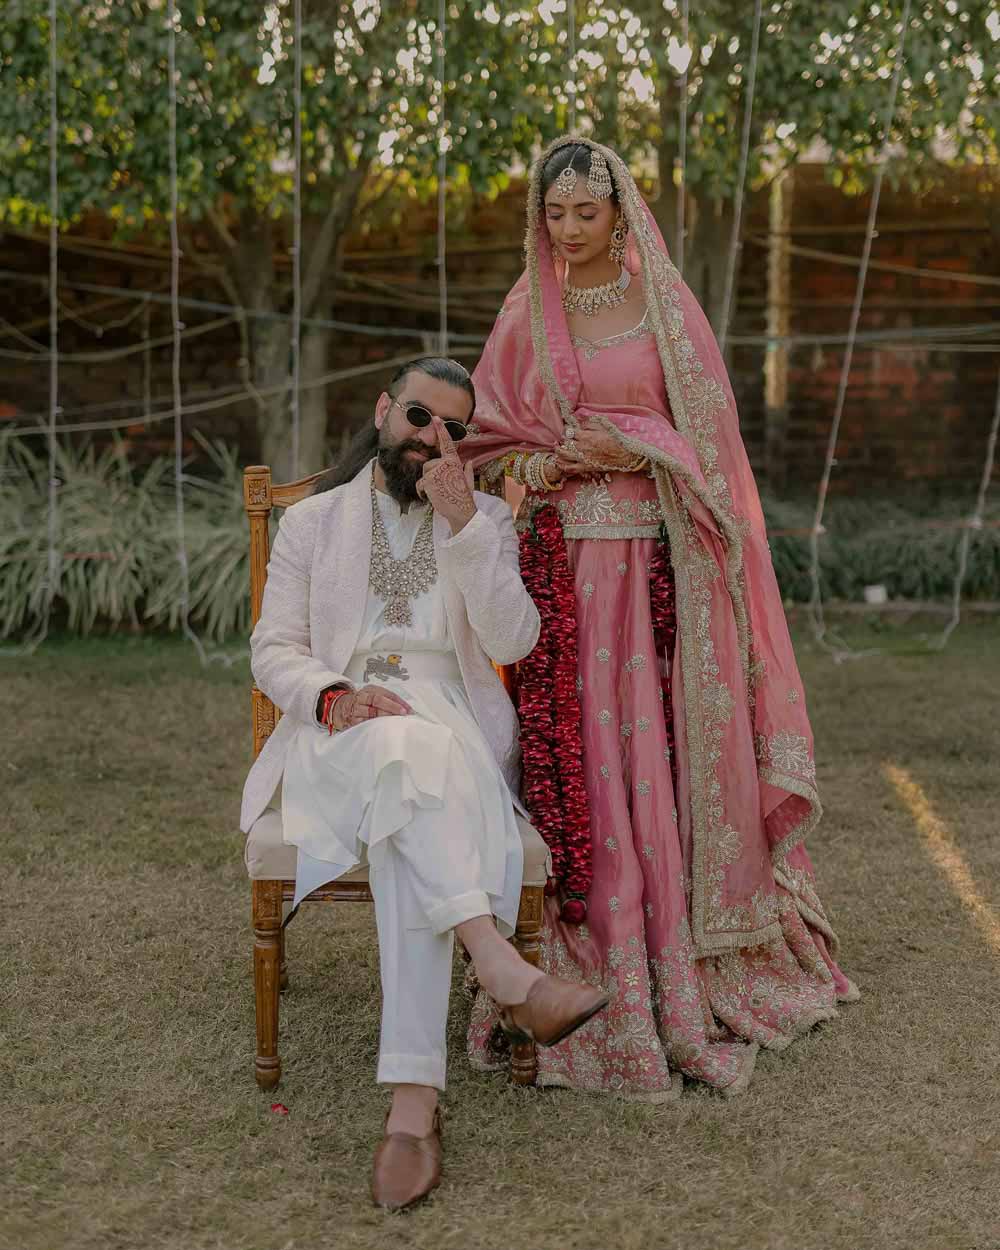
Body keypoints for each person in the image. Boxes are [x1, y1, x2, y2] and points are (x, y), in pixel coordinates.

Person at [462, 138, 858, 1102]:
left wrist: (633, 446)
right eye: (553, 215)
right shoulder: (528, 309)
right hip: (563, 573)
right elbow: (491, 446)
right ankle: (583, 953)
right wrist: (547, 465)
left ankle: (681, 952)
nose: (568, 231)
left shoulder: (666, 307)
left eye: (584, 214)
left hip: (660, 570)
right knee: (581, 755)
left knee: (657, 748)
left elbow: (713, 452)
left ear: (618, 210)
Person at [239, 356, 609, 1209]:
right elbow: (274, 650)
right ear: (382, 411)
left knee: (422, 771)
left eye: (451, 428)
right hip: (344, 727)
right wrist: (334, 699)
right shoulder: (314, 523)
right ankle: (501, 980)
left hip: (451, 727)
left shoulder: (479, 519)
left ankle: (416, 1104)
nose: (430, 438)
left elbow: (514, 641)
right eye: (417, 416)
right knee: (409, 757)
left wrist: (465, 528)